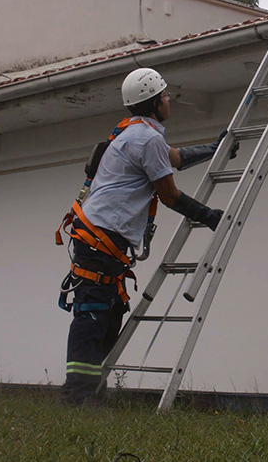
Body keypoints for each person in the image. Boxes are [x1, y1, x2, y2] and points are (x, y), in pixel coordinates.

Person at [59, 67, 234, 404]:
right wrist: (208, 216)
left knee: (109, 314)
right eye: (165, 96)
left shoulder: (135, 133)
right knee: (93, 314)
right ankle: (76, 398)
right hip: (101, 238)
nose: (169, 100)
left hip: (101, 239)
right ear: (154, 103)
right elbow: (168, 195)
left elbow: (175, 159)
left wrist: (215, 148)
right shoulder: (146, 138)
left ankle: (91, 396)